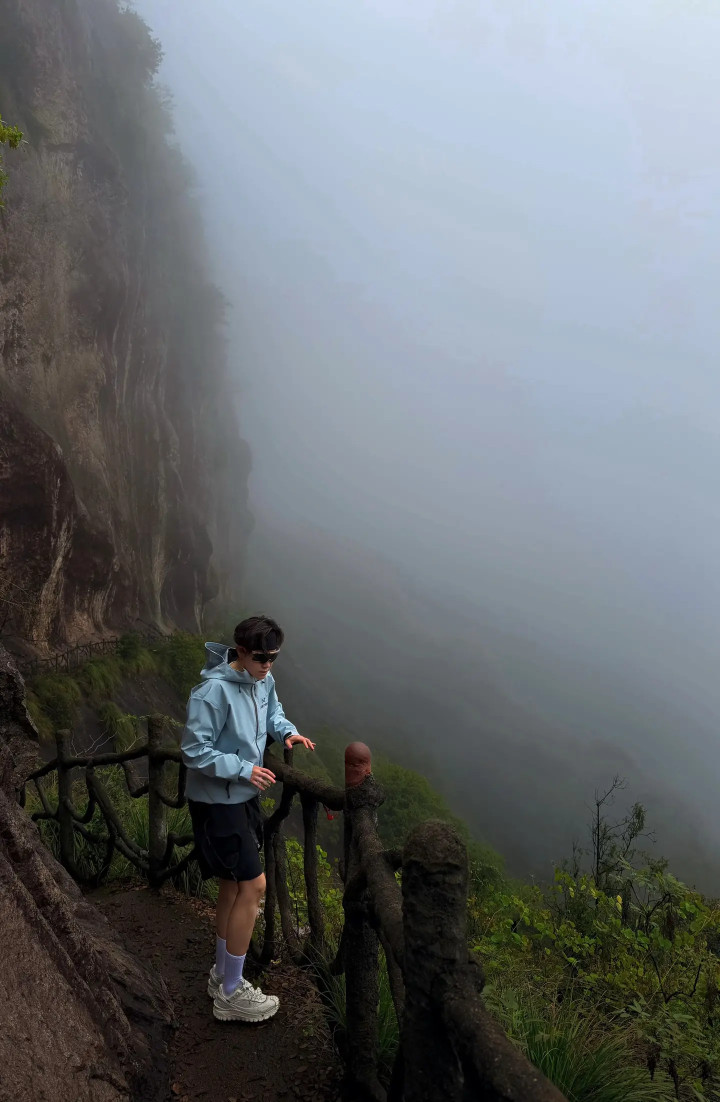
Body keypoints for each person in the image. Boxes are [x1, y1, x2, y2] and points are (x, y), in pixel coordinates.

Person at [181, 615, 315, 1022]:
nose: (267, 665)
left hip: (242, 796)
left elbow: (272, 712)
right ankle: (231, 993)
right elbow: (193, 750)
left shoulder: (262, 680)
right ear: (240, 651)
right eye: (260, 657)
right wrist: (243, 769)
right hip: (218, 802)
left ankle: (222, 976)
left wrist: (286, 732)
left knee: (231, 887)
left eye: (273, 658)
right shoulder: (212, 692)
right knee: (254, 886)